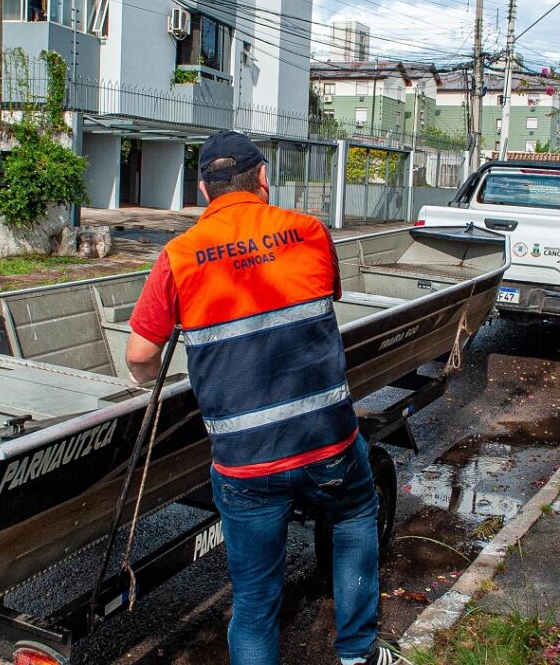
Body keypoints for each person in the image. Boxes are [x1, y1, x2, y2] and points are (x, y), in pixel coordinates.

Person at [125, 131, 405, 665]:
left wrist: (146, 382)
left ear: (205, 192)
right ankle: (358, 655)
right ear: (264, 180)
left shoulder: (178, 257)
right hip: (327, 447)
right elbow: (324, 298)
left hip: (245, 466)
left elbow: (141, 356)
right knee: (352, 516)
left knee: (255, 601)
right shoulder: (309, 232)